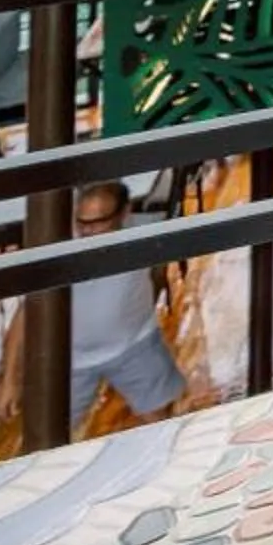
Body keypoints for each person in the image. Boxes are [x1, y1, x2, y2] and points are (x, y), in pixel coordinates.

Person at [68, 182, 184, 430]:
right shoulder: (59, 243)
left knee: (162, 430)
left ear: (124, 213)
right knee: (47, 443)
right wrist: (9, 379)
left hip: (136, 346)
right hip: (70, 358)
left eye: (99, 222)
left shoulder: (146, 231)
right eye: (82, 222)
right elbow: (28, 309)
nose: (88, 232)